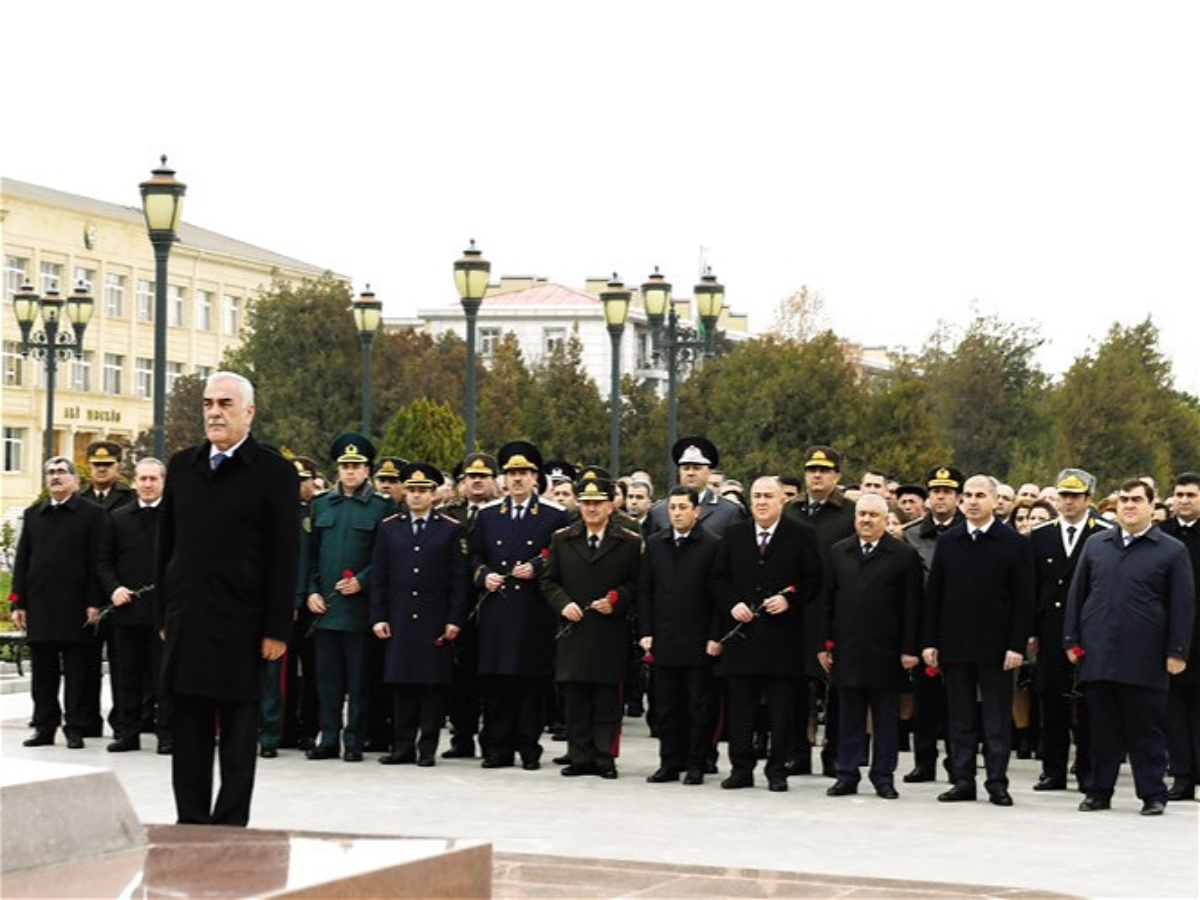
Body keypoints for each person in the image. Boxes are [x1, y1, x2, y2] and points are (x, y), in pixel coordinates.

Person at [153, 371, 298, 826]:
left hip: (244, 624)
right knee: (189, 730)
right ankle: (191, 823)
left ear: (249, 412)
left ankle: (231, 826)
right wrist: (163, 613)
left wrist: (277, 627)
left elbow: (285, 555)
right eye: (208, 403)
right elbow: (166, 547)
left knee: (238, 735)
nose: (214, 412)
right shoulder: (182, 466)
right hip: (189, 621)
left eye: (225, 404)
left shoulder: (273, 471)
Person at [1066, 478, 1194, 815]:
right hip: (1099, 653)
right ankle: (1098, 791)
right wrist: (1071, 638)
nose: (1129, 505)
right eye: (1123, 499)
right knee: (1101, 730)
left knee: (1145, 730)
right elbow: (1078, 595)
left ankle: (1152, 794)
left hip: (1146, 658)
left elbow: (1183, 606)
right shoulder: (1097, 545)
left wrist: (1177, 651)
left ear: (1152, 505)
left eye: (1137, 499)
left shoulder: (1171, 550)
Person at [922, 474, 1035, 807]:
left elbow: (1023, 599)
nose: (972, 501)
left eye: (979, 495)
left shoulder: (1013, 543)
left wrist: (1017, 645)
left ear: (994, 500)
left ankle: (997, 782)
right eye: (967, 495)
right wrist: (930, 641)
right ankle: (963, 780)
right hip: (956, 643)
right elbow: (935, 595)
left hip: (998, 647)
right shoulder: (949, 540)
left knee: (997, 718)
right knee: (960, 718)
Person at [712, 476, 824, 792]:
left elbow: (814, 579)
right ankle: (740, 768)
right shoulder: (734, 535)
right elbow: (719, 578)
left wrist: (790, 599)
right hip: (743, 637)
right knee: (741, 709)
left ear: (781, 501)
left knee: (782, 711)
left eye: (768, 496)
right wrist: (732, 604)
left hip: (783, 639)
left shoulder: (801, 536)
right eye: (756, 496)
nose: (761, 502)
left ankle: (778, 770)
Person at [470, 441, 571, 770]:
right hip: (498, 609)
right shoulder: (487, 515)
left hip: (533, 610)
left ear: (535, 478)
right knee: (497, 682)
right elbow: (473, 556)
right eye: (512, 473)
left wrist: (538, 568)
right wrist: (483, 575)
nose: (517, 479)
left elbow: (560, 559)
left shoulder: (554, 515)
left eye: (524, 473)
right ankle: (498, 747)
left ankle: (529, 747)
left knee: (530, 682)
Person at [820, 493, 922, 799]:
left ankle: (883, 776)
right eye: (861, 514)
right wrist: (824, 644)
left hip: (887, 651)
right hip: (847, 649)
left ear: (884, 518)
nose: (866, 520)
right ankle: (847, 773)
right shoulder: (839, 552)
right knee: (848, 716)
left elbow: (913, 607)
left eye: (873, 515)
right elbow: (826, 602)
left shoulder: (903, 556)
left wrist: (909, 648)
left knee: (885, 719)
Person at [541, 473, 642, 779]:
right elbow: (547, 579)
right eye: (586, 503)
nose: (591, 509)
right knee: (576, 698)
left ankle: (604, 757)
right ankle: (580, 755)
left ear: (611, 506)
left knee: (607, 699)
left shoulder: (628, 541)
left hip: (609, 630)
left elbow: (638, 584)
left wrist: (617, 599)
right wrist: (562, 603)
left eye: (598, 503)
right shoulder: (563, 538)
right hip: (573, 630)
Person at [371, 463, 469, 766]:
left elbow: (459, 580)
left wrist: (454, 619)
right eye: (411, 490)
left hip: (434, 617)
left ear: (433, 494)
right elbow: (379, 576)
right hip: (399, 616)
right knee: (401, 685)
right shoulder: (389, 527)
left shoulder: (451, 529)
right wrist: (378, 616)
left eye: (423, 490)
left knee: (432, 685)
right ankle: (402, 747)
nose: (416, 496)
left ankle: (427, 749)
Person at [304, 434, 393, 762]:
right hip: (325, 610)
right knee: (326, 681)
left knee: (358, 682)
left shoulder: (382, 506)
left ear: (368, 470)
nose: (350, 472)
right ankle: (328, 737)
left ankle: (354, 740)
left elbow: (386, 557)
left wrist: (363, 581)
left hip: (359, 611)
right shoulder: (322, 504)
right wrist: (311, 591)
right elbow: (310, 556)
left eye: (356, 466)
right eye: (345, 466)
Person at [11, 456, 106, 749]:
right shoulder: (33, 514)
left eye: (61, 472)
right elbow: (22, 562)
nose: (55, 477)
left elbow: (97, 562)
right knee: (43, 674)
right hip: (40, 606)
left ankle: (75, 728)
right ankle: (44, 727)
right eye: (50, 472)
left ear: (75, 480)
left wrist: (94, 601)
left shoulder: (92, 514)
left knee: (77, 674)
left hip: (77, 608)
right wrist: (17, 603)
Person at [1028, 467, 1110, 792]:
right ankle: (1053, 770)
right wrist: (1030, 629)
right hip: (1051, 628)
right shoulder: (1042, 534)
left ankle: (1087, 768)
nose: (1068, 502)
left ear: (1089, 499)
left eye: (1075, 496)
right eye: (1064, 496)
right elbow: (1032, 585)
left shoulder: (1103, 532)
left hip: (1090, 629)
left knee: (1089, 701)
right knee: (1052, 700)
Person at [638, 486, 723, 785]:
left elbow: (718, 597)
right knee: (666, 706)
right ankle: (669, 763)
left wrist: (715, 636)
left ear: (696, 511)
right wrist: (645, 631)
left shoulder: (712, 545)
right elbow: (645, 592)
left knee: (698, 707)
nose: (676, 513)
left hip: (699, 640)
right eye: (672, 507)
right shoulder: (656, 543)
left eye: (683, 507)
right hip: (663, 638)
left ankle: (697, 763)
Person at [783, 445, 856, 777]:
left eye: (824, 471)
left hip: (837, 607)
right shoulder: (791, 510)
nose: (816, 475)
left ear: (837, 476)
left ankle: (835, 753)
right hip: (797, 608)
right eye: (811, 469)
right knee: (796, 686)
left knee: (836, 685)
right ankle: (797, 752)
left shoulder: (849, 513)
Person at [97, 457, 172, 754]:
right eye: (143, 479)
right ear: (134, 482)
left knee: (164, 678)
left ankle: (167, 735)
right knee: (124, 676)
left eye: (153, 479)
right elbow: (103, 562)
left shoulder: (175, 518)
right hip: (126, 613)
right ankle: (127, 734)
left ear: (163, 482)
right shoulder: (117, 518)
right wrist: (113, 589)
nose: (148, 484)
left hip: (163, 615)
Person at [902, 465, 964, 784]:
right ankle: (923, 762)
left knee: (958, 701)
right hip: (923, 622)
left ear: (958, 497)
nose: (941, 497)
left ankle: (958, 762)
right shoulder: (911, 533)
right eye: (936, 491)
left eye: (948, 492)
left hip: (959, 623)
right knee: (924, 700)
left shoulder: (969, 530)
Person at [1162, 472, 1200, 801]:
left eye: (1191, 495)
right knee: (1173, 712)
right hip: (1170, 638)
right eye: (1179, 495)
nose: (1184, 500)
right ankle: (1183, 776)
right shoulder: (1162, 536)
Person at [646, 437, 746, 535]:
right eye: (686, 468)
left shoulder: (729, 511)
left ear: (709, 472)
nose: (690, 473)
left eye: (697, 468)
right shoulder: (659, 511)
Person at [79, 440, 136, 511]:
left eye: (107, 464)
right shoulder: (78, 498)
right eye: (96, 464)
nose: (101, 469)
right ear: (89, 465)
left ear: (119, 466)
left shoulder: (132, 497)